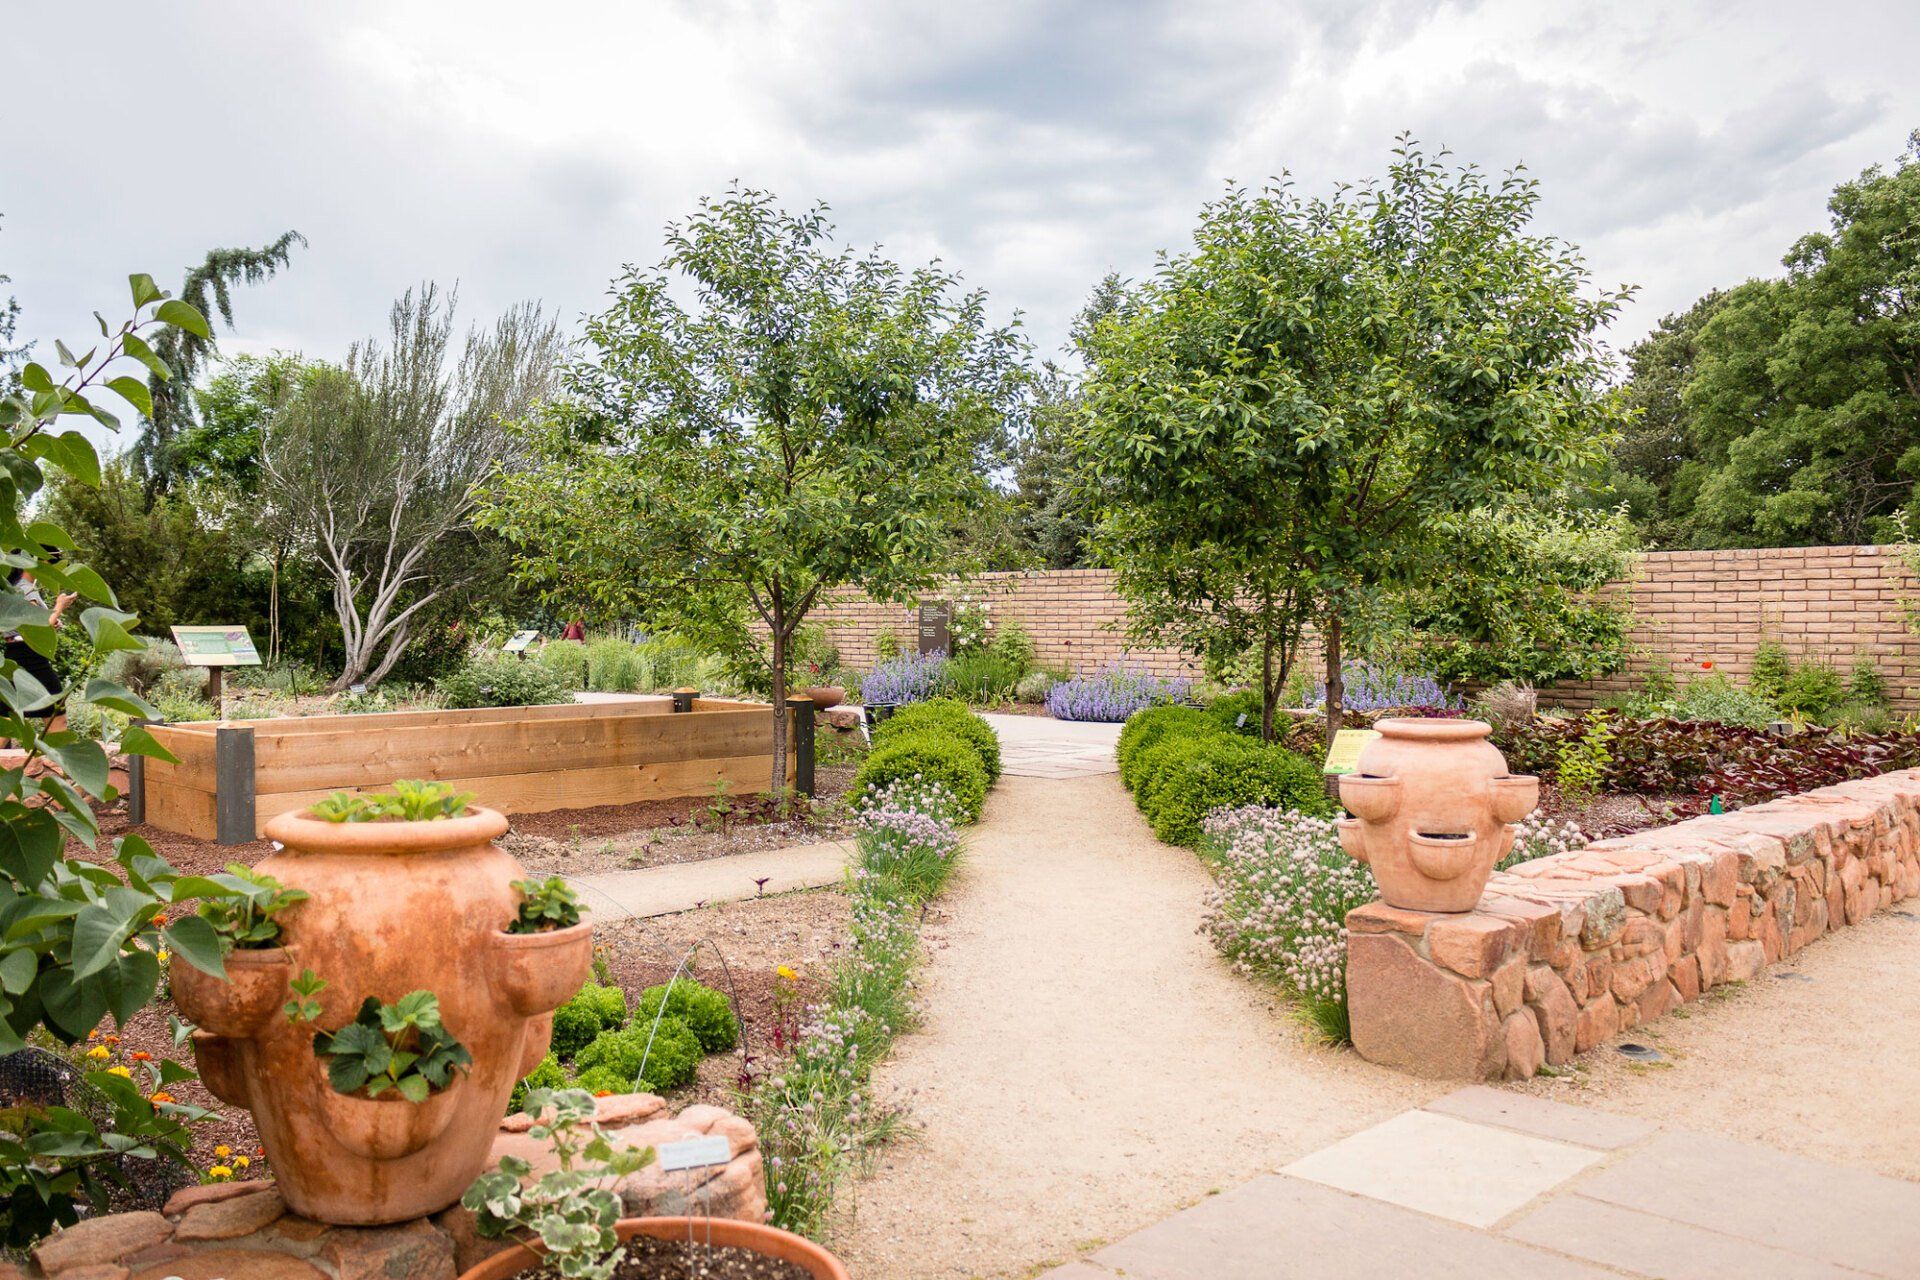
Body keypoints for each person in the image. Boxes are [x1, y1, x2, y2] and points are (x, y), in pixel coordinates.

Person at [5, 566, 78, 735]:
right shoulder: (25, 590)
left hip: (16, 654)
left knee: (7, 718)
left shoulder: (15, 587)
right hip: (31, 658)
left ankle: (55, 758)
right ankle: (57, 759)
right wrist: (59, 606)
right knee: (56, 713)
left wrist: (53, 619)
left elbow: (31, 622)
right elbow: (35, 626)